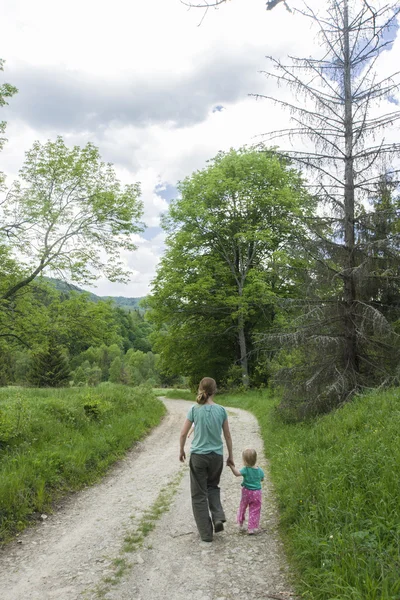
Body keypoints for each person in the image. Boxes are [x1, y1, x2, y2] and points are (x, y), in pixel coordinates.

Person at [179, 377, 234, 542]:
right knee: (212, 487)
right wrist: (230, 455)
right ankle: (217, 516)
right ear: (215, 390)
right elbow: (227, 435)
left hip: (198, 457)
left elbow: (183, 433)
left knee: (199, 495)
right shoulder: (222, 410)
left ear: (200, 389)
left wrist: (181, 449)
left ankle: (206, 533)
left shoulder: (194, 410)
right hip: (216, 456)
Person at [228, 448, 264, 535]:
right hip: (257, 493)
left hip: (246, 492)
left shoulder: (245, 469)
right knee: (255, 509)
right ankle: (251, 528)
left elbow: (237, 474)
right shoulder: (260, 470)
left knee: (243, 507)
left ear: (244, 460)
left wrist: (231, 466)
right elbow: (262, 479)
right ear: (255, 459)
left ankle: (240, 523)